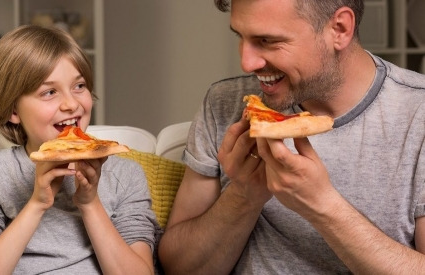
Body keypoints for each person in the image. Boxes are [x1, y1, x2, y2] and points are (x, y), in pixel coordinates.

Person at [158, 0, 425, 274]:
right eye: (241, 37)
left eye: (268, 41)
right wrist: (244, 195)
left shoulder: (418, 114)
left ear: (340, 29)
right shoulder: (225, 103)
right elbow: (179, 268)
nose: (247, 62)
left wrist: (322, 206)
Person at [0, 25, 158, 274]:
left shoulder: (126, 176)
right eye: (49, 92)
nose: (72, 104)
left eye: (79, 86)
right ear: (13, 111)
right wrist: (37, 204)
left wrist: (90, 203)